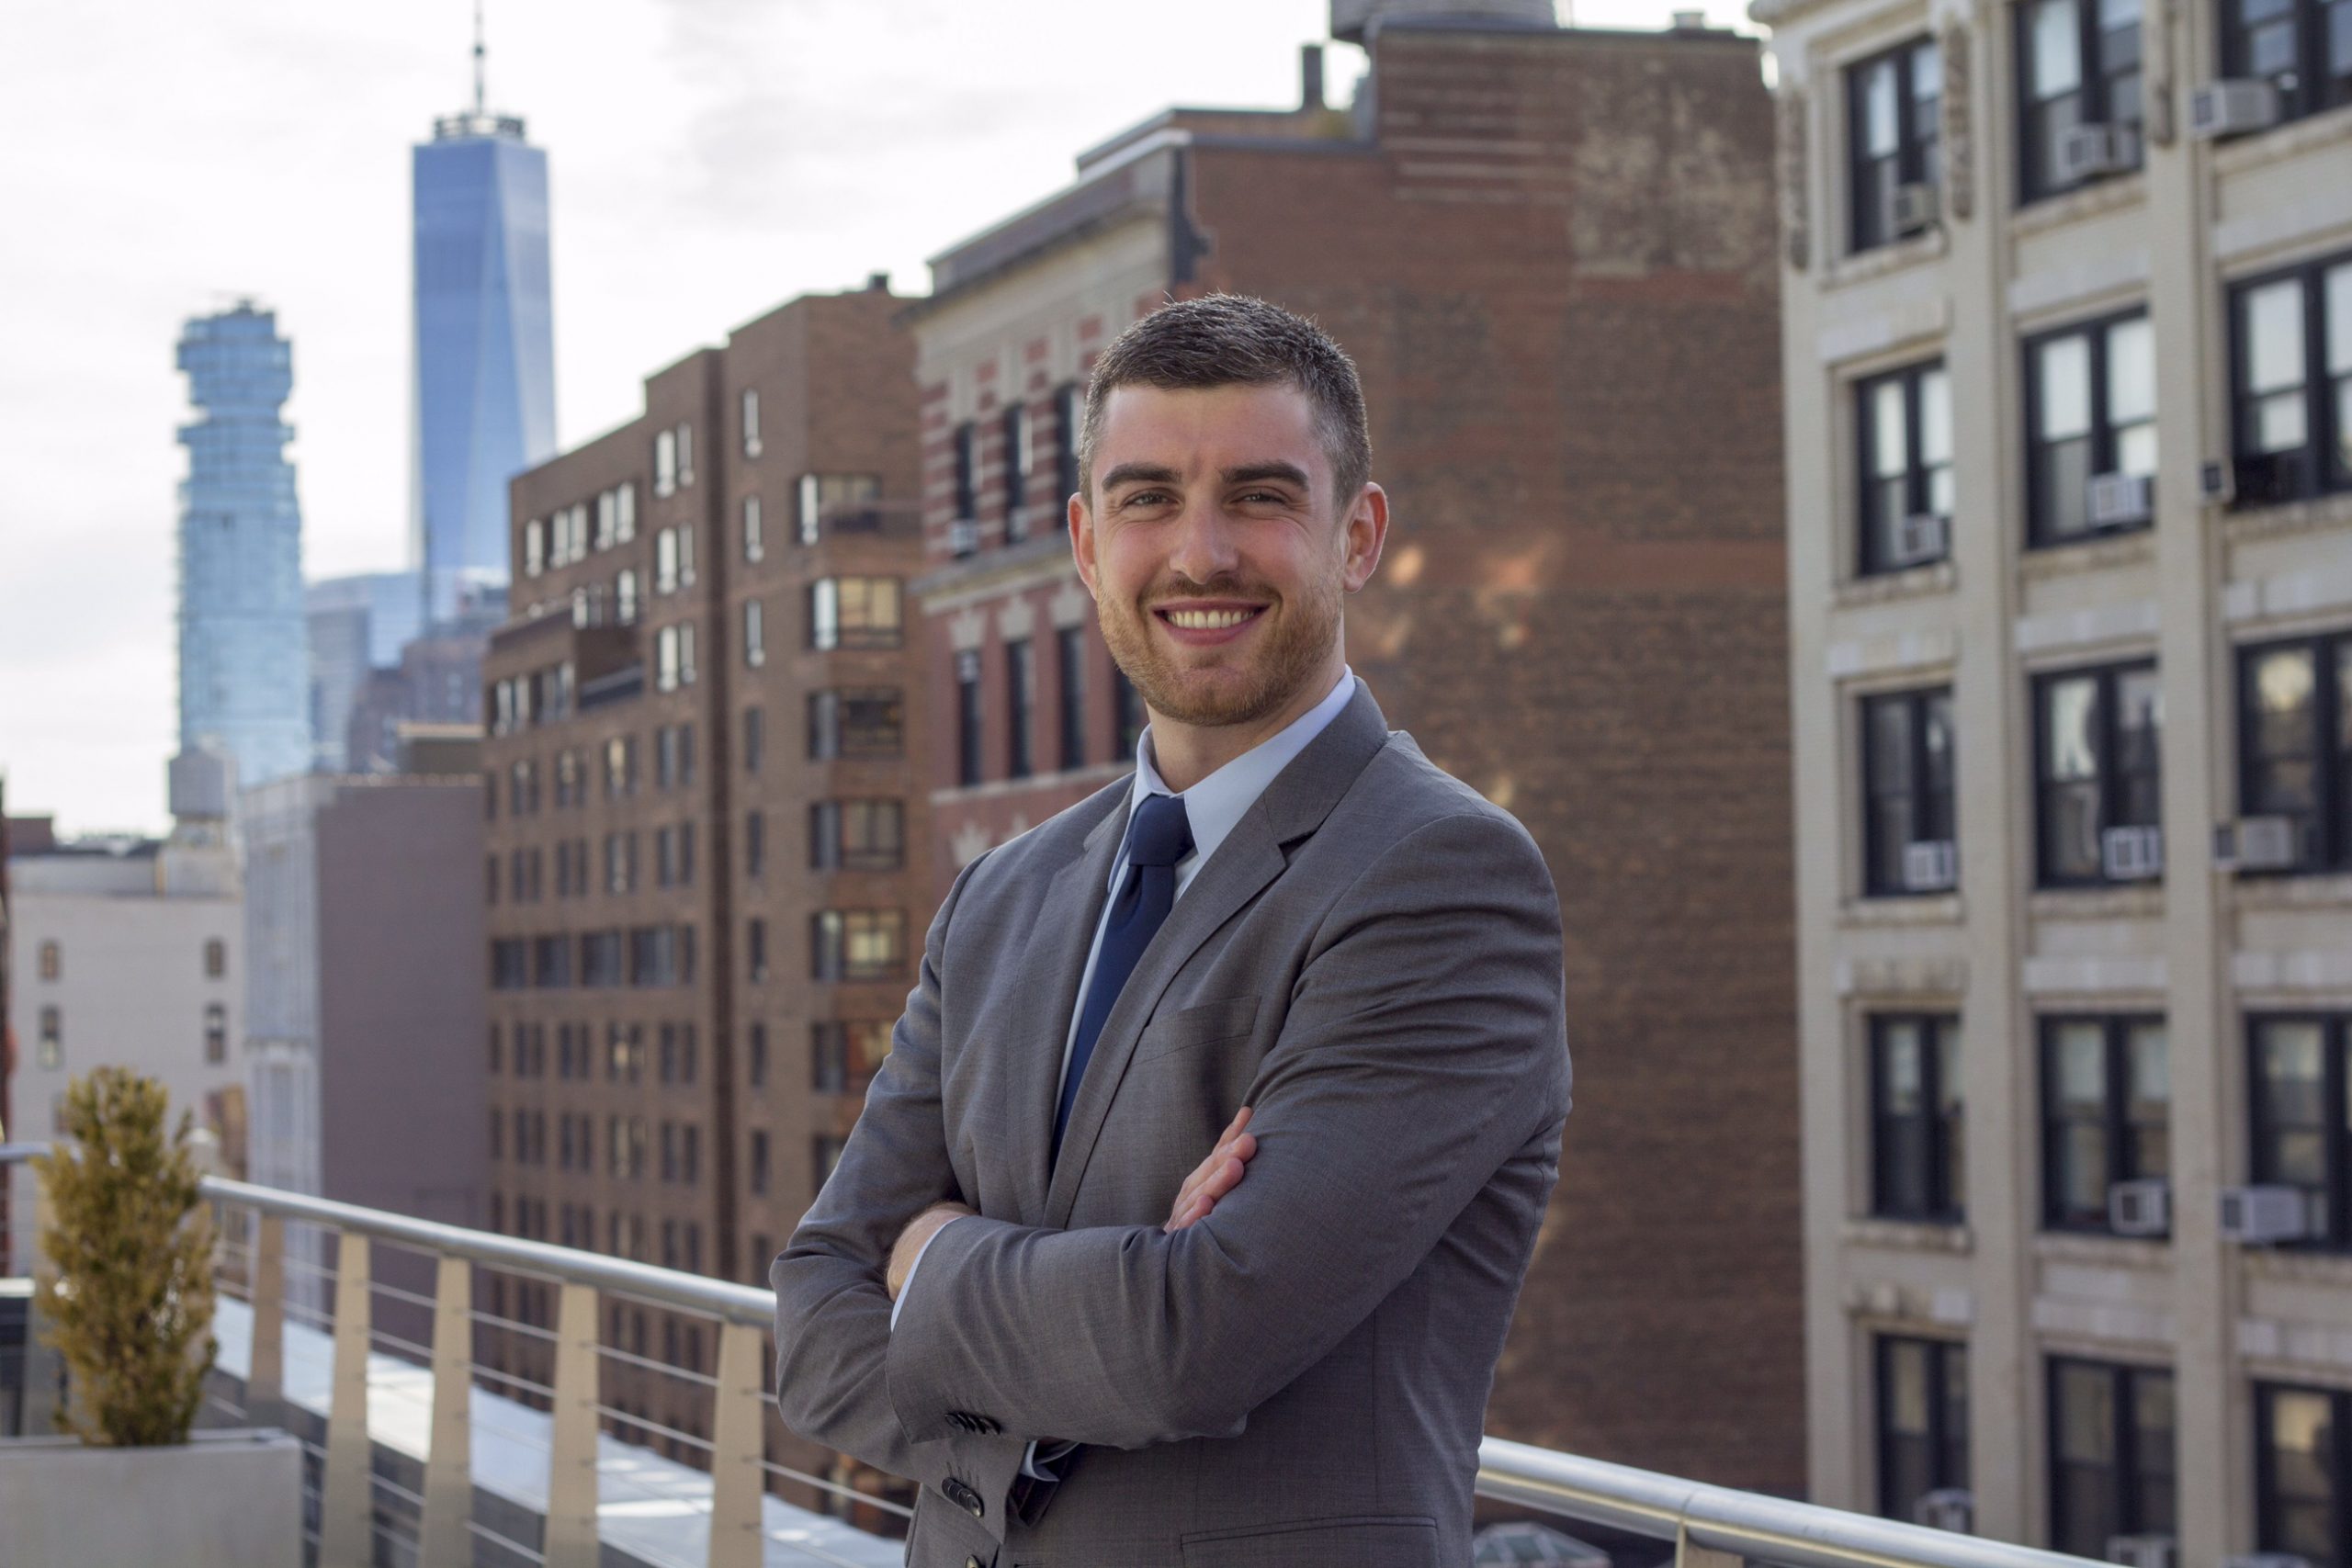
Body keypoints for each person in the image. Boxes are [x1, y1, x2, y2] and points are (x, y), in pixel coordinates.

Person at [771, 293, 1571, 1568]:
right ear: (1088, 544)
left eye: (1259, 496)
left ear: (1356, 535)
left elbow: (1189, 1342)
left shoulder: (1439, 878)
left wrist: (930, 1258)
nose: (1200, 555)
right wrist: (1082, 1319)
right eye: (1147, 499)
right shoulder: (1003, 896)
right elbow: (814, 1323)